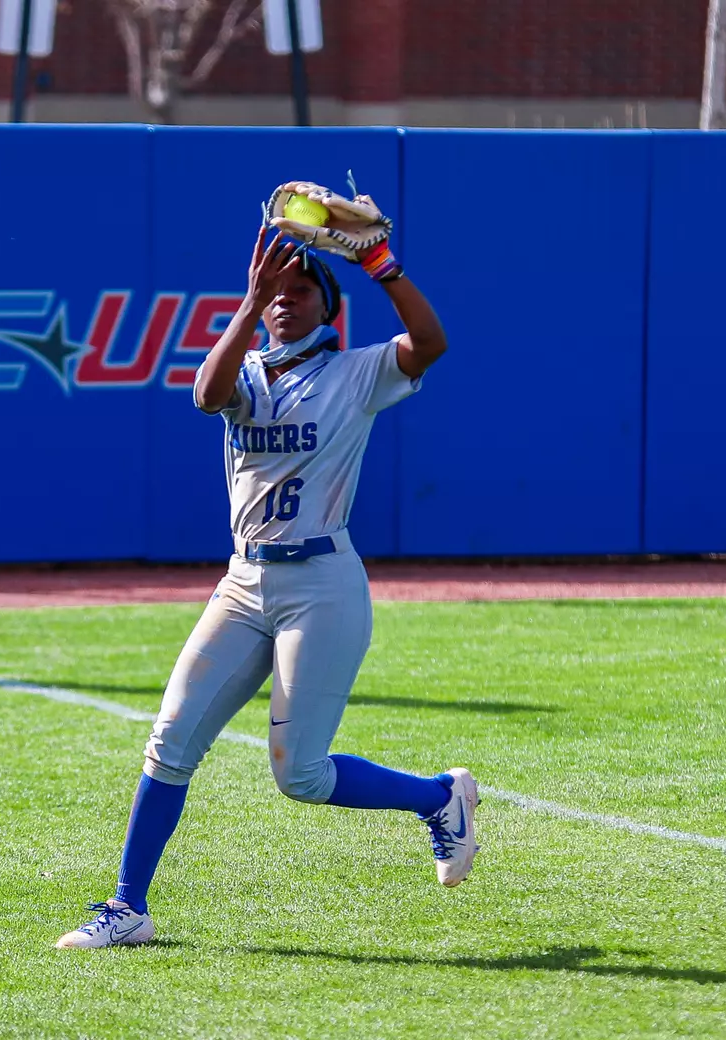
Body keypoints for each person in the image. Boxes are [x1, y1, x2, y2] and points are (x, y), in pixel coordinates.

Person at [57, 212, 476, 950]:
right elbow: (205, 394)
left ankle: (438, 798)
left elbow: (430, 344)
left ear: (327, 306)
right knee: (169, 742)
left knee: (300, 776)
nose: (284, 297)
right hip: (243, 581)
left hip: (321, 584)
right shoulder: (246, 369)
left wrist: (380, 265)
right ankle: (127, 907)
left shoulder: (355, 372)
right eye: (274, 289)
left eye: (299, 288)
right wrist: (248, 304)